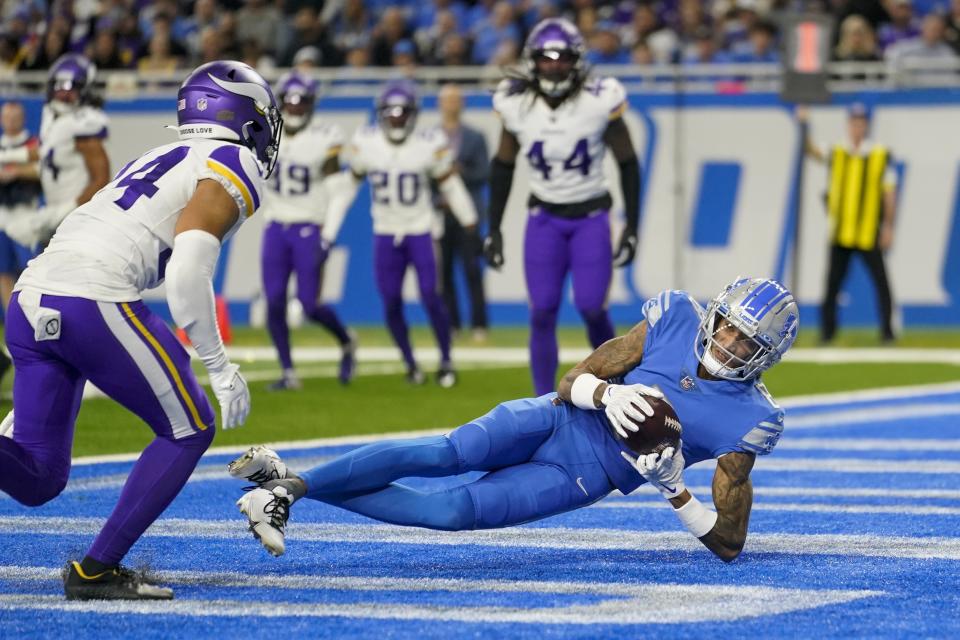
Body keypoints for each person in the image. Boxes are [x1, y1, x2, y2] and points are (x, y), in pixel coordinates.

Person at [232, 277, 797, 562]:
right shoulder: (673, 319)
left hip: (584, 476)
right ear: (715, 311)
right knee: (442, 454)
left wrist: (676, 491)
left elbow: (729, 543)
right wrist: (602, 395)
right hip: (554, 420)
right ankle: (290, 488)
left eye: (745, 340)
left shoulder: (749, 420)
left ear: (766, 354)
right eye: (726, 324)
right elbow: (569, 381)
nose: (727, 341)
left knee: (452, 512)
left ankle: (282, 484)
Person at [0, 60, 280, 600]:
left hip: (32, 295)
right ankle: (95, 571)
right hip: (90, 296)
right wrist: (219, 366)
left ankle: (97, 569)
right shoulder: (233, 158)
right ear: (245, 116)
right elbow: (186, 267)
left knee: (38, 476)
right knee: (191, 425)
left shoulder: (156, 155)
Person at [482, 18, 643, 396]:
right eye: (546, 57)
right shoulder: (515, 102)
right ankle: (543, 402)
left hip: (590, 217)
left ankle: (618, 384)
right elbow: (503, 165)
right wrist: (495, 226)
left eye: (562, 57)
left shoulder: (599, 98)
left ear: (577, 61)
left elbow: (628, 163)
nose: (554, 65)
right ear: (532, 61)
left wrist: (633, 224)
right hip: (544, 219)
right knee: (541, 311)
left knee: (591, 306)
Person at [331, 80, 479, 387]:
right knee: (390, 301)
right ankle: (410, 363)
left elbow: (450, 184)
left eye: (402, 112)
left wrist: (469, 221)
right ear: (381, 114)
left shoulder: (428, 142)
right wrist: (329, 229)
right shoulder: (367, 141)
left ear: (412, 114)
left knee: (430, 295)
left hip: (420, 230)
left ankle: (446, 359)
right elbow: (347, 187)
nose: (396, 118)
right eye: (391, 112)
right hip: (386, 232)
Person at [260, 71, 357, 391]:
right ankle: (288, 371)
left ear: (312, 105)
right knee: (274, 300)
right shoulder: (264, 133)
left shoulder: (324, 138)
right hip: (276, 227)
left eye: (301, 102)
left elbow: (338, 191)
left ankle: (346, 341)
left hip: (308, 227)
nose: (295, 108)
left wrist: (328, 235)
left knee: (309, 304)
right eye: (289, 101)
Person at [799, 103, 897, 343]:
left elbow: (889, 193)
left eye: (861, 123)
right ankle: (827, 332)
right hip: (841, 232)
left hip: (866, 232)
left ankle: (887, 331)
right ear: (848, 124)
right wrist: (803, 124)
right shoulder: (837, 150)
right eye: (854, 122)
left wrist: (888, 226)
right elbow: (811, 151)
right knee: (831, 285)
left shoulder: (879, 154)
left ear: (866, 125)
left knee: (882, 283)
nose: (857, 127)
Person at [3, 54, 110, 250]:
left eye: (70, 88)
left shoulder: (85, 126)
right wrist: (6, 156)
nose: (62, 94)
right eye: (58, 87)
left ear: (85, 90)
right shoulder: (56, 118)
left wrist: (64, 212)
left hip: (78, 216)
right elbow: (47, 151)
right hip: (56, 213)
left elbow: (101, 180)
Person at [436, 83, 489, 341]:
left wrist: (461, 172)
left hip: (468, 213)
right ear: (440, 104)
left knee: (471, 270)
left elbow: (484, 173)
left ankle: (479, 324)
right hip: (440, 212)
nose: (451, 105)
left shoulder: (475, 137)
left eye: (455, 100)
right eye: (448, 100)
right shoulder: (431, 138)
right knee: (443, 272)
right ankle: (452, 324)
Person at [0, 101, 41, 386]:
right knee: (3, 276)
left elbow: (42, 170)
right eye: (7, 116)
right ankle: (14, 320)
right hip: (2, 217)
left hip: (27, 217)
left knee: (30, 273)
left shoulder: (33, 142)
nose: (11, 120)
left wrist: (15, 173)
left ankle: (32, 318)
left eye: (15, 116)